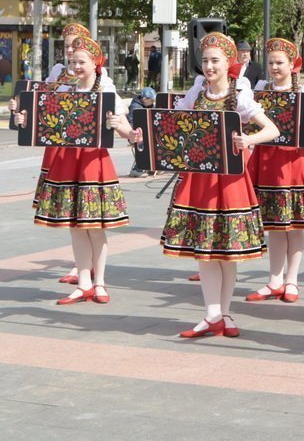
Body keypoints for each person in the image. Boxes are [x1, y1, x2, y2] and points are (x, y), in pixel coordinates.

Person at [111, 31, 279, 338]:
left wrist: (247, 139)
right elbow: (171, 126)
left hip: (229, 182)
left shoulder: (239, 96)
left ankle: (223, 313)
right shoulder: (196, 93)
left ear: (229, 63)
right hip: (199, 180)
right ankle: (212, 313)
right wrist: (138, 135)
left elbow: (272, 129)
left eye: (215, 60)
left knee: (226, 252)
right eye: (205, 60)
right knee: (205, 250)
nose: (209, 66)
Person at [15, 36, 128, 305]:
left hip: (93, 165)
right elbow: (41, 123)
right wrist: (22, 119)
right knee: (76, 227)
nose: (76, 66)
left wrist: (123, 129)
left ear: (95, 64)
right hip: (67, 162)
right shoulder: (63, 91)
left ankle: (100, 282)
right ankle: (84, 283)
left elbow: (126, 130)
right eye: (73, 61)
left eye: (81, 62)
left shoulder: (106, 94)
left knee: (96, 227)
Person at [244, 38, 304, 304]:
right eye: (271, 62)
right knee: (274, 224)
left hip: (291, 162)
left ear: (293, 65)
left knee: (294, 225)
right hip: (266, 159)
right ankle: (275, 280)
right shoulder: (259, 89)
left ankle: (292, 281)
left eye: (280, 63)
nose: (274, 67)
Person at [126, 87, 157, 177]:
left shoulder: (147, 105)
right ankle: (137, 168)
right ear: (144, 99)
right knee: (146, 144)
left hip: (143, 133)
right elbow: (131, 123)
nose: (152, 102)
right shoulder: (136, 107)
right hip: (134, 134)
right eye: (151, 100)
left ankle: (149, 166)